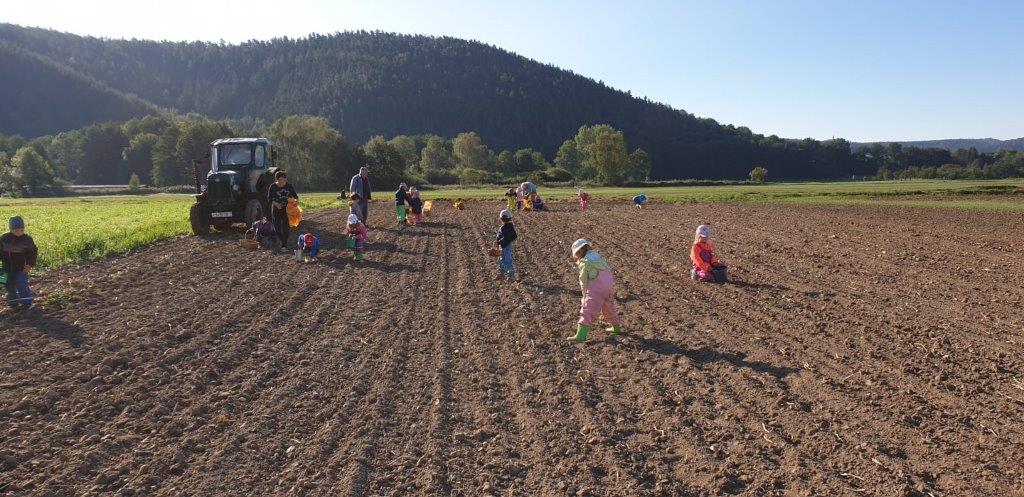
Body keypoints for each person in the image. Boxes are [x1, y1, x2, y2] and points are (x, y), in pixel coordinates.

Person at [567, 239, 621, 342]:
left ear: (579, 252)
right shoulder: (598, 257)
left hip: (596, 288)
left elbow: (583, 280)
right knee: (608, 306)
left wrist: (584, 295)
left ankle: (580, 335)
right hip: (608, 286)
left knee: (587, 309)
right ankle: (616, 328)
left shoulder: (585, 262)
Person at [2, 216, 38, 309]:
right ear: (10, 229)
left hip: (21, 267)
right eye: (16, 230)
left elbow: (33, 253)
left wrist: (30, 265)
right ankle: (12, 303)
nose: (19, 232)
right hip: (5, 268)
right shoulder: (4, 238)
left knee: (22, 283)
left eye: (21, 230)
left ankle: (27, 303)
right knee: (7, 284)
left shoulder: (27, 239)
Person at [267, 170, 298, 251]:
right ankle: (282, 241)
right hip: (276, 210)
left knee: (285, 228)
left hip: (287, 210)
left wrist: (295, 202)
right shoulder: (273, 187)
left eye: (282, 180)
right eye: (279, 180)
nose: (281, 181)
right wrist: (276, 204)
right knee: (277, 228)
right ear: (276, 180)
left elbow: (295, 197)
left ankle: (284, 245)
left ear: (285, 179)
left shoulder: (289, 186)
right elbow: (269, 199)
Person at [495, 209, 517, 281]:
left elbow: (506, 237)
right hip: (507, 245)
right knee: (501, 259)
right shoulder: (511, 226)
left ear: (501, 219)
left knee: (506, 259)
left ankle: (511, 275)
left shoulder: (503, 228)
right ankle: (502, 274)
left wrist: (499, 241)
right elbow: (514, 236)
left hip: (504, 246)